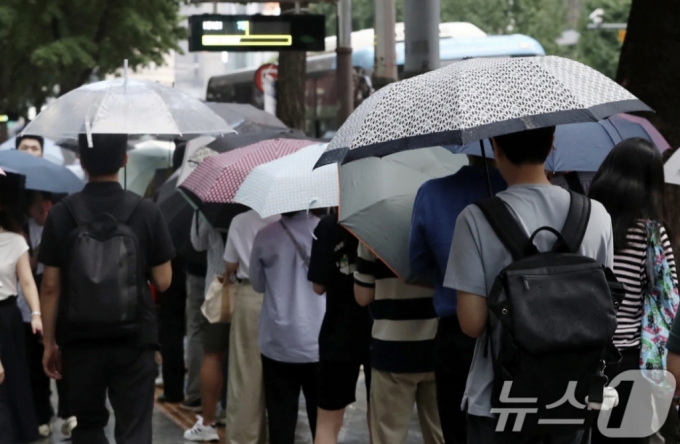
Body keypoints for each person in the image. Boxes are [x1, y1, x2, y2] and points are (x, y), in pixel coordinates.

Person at [444, 126, 613, 444]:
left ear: (495, 147)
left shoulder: (475, 219)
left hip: (499, 401)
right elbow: (604, 307)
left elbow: (471, 323)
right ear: (552, 144)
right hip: (571, 397)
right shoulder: (597, 216)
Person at [40, 133, 174, 444]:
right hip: (134, 340)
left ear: (83, 163)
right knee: (135, 426)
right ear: (125, 159)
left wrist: (49, 344)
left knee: (87, 425)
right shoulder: (146, 211)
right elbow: (165, 280)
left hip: (79, 341)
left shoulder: (61, 213)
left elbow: (49, 286)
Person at [409, 157, 506, 444]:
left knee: (456, 430)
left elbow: (417, 266)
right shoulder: (521, 193)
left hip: (456, 332)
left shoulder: (432, 193)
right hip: (519, 332)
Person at [588, 138, 677, 444]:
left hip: (582, 353)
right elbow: (669, 297)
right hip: (630, 358)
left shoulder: (582, 222)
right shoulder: (650, 233)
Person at [354, 243, 444, 444]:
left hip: (391, 349)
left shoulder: (373, 227)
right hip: (440, 348)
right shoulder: (447, 220)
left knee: (388, 437)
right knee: (442, 435)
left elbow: (363, 296)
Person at [250, 211, 324, 444]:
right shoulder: (326, 232)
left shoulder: (265, 235)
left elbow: (257, 285)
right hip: (318, 338)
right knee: (322, 419)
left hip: (277, 341)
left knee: (280, 417)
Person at [308, 211, 372, 444]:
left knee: (327, 422)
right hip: (380, 331)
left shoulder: (327, 226)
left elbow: (318, 287)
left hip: (339, 330)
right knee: (382, 425)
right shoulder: (383, 220)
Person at [17, 191, 76, 438]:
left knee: (62, 358)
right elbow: (28, 266)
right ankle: (42, 414)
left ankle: (69, 412)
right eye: (36, 204)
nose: (42, 208)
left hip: (57, 304)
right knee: (34, 363)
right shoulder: (21, 230)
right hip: (27, 305)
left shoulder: (64, 224)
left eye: (46, 203)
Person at [223, 209, 280, 444]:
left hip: (249, 295)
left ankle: (245, 438)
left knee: (246, 373)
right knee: (278, 374)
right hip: (281, 295)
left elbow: (230, 264)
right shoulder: (283, 220)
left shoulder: (239, 221)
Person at [183, 214, 230, 442]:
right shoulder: (262, 198)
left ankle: (208, 422)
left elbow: (198, 243)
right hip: (254, 288)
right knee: (249, 361)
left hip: (219, 287)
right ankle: (245, 419)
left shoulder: (211, 201)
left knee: (213, 355)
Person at [0, 203, 42, 443]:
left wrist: (36, 314)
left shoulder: (15, 241)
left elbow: (27, 281)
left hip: (8, 316)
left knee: (13, 382)